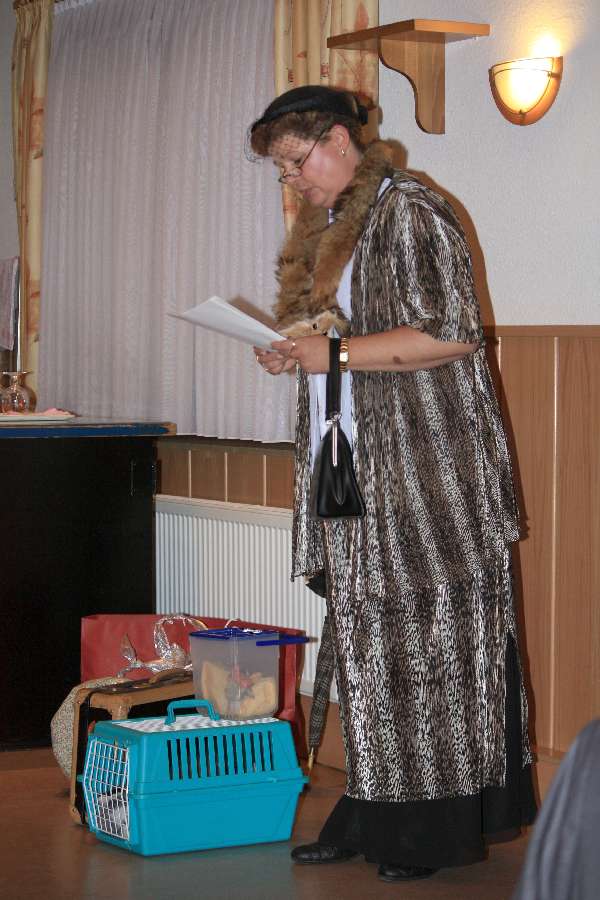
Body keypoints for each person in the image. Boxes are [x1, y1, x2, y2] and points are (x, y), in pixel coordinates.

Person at [249, 85, 536, 884]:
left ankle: (429, 831)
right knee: (369, 644)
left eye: (297, 162)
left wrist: (332, 354)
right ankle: (372, 809)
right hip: (355, 458)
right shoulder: (334, 227)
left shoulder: (411, 210)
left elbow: (451, 334)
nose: (292, 182)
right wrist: (299, 350)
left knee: (430, 646)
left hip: (426, 472)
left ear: (340, 140)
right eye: (282, 170)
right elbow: (349, 340)